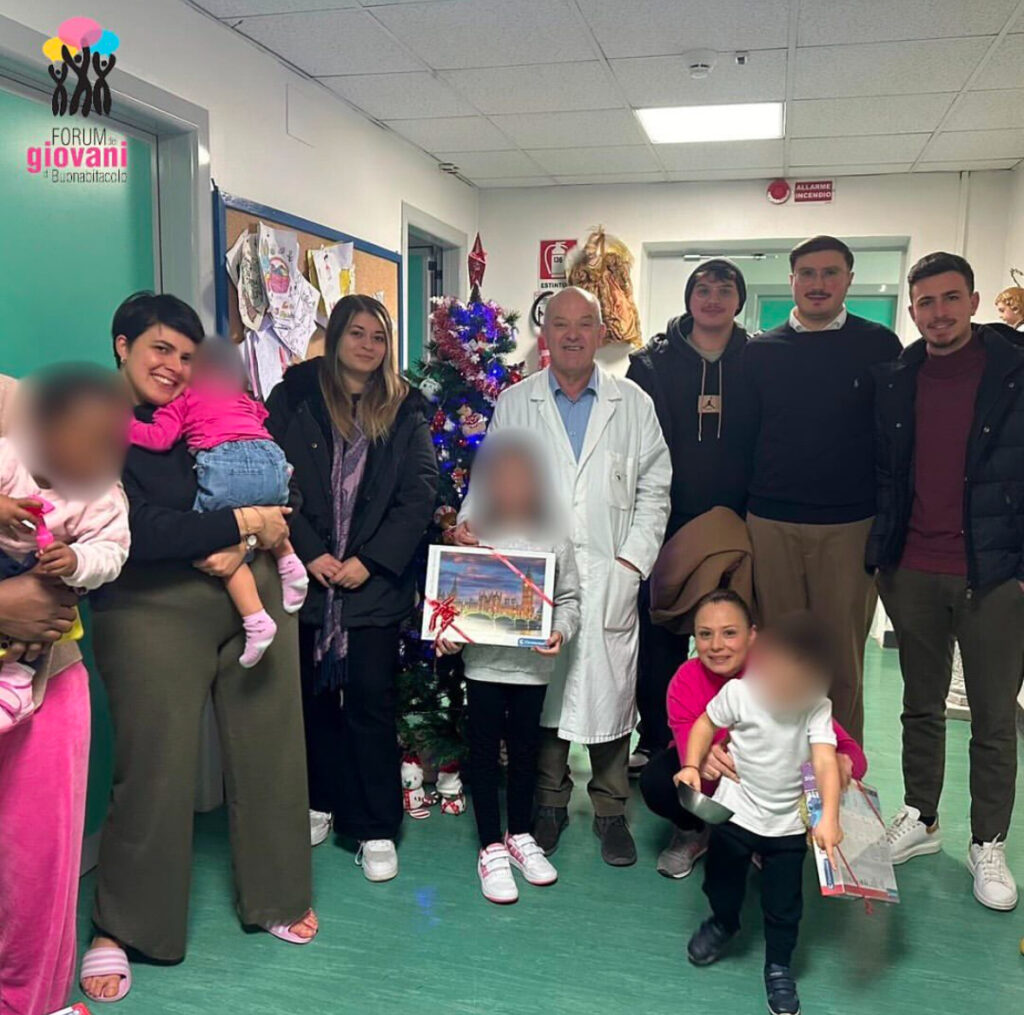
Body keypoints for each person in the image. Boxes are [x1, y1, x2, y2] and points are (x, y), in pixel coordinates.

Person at [81, 292, 316, 1005]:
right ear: (122, 345)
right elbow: (137, 530)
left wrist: (245, 533)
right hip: (148, 602)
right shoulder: (96, 424)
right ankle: (125, 926)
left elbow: (274, 486)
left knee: (272, 746)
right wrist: (239, 525)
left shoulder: (209, 404)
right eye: (161, 349)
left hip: (250, 586)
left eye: (187, 355)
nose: (175, 366)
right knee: (154, 764)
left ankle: (278, 894)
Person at [454, 286, 670, 866]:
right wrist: (472, 526)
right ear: (545, 334)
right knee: (542, 696)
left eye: (584, 324)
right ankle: (548, 804)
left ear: (601, 334)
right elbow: (488, 481)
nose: (572, 334)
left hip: (608, 570)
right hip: (535, 571)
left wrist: (631, 563)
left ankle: (610, 809)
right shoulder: (516, 403)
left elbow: (655, 490)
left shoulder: (634, 405)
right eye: (560, 324)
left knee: (608, 692)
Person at [867, 252, 1024, 912]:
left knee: (993, 717)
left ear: (974, 301)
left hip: (994, 575)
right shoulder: (898, 377)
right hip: (913, 568)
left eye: (951, 298)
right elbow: (885, 470)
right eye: (926, 302)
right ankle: (922, 817)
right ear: (913, 311)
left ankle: (987, 841)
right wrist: (883, 559)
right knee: (921, 705)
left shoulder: (1014, 370)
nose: (939, 313)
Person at [265, 294, 438, 880]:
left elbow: (419, 494)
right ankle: (320, 799)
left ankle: (375, 826)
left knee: (370, 703)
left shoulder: (406, 407)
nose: (368, 345)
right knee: (312, 701)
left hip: (372, 587)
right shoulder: (295, 396)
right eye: (357, 333)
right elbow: (274, 477)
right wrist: (309, 550)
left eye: (378, 336)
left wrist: (371, 560)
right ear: (336, 336)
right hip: (307, 580)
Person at [744, 236, 902, 742]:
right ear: (791, 280)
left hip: (849, 526)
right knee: (779, 657)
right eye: (807, 273)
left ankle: (841, 773)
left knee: (841, 660)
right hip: (771, 524)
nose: (818, 283)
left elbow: (893, 435)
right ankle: (779, 769)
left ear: (849, 280)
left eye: (830, 272)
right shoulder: (759, 352)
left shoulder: (879, 346)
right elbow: (746, 436)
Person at [436, 430, 581, 903]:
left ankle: (519, 834)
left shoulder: (554, 537)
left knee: (525, 753)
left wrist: (560, 631)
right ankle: (490, 847)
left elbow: (569, 599)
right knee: (482, 755)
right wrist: (447, 634)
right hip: (482, 668)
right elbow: (450, 597)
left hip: (532, 671)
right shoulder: (474, 533)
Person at [676, 611, 844, 1015]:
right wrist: (692, 765)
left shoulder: (816, 707)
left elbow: (825, 761)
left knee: (785, 905)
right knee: (721, 881)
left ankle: (779, 965)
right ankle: (724, 922)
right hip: (736, 815)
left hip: (787, 826)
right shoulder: (739, 693)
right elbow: (704, 724)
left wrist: (830, 817)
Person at [626, 259, 756, 770]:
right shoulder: (651, 364)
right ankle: (656, 739)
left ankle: (725, 743)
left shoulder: (757, 360)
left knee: (727, 638)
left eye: (725, 290)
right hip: (667, 522)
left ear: (739, 300)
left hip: (735, 524)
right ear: (688, 299)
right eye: (703, 290)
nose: (713, 299)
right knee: (660, 638)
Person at [640, 589, 866, 878]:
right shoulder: (685, 679)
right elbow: (690, 753)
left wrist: (842, 762)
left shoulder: (781, 677)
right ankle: (693, 831)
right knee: (658, 779)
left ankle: (765, 839)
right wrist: (700, 759)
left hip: (773, 787)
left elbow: (852, 754)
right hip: (722, 783)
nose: (716, 645)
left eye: (729, 633)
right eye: (705, 634)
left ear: (752, 636)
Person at [129, 339, 308, 668]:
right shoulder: (245, 399)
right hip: (273, 462)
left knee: (215, 538)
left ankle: (256, 619)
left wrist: (124, 426)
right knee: (270, 507)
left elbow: (159, 437)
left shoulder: (183, 399)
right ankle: (290, 563)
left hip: (227, 469)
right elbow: (261, 420)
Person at [0, 372, 87, 1015]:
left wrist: (73, 571)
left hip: (49, 674)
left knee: (37, 877)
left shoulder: (20, 403)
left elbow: (97, 521)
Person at [0, 366, 130, 732]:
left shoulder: (99, 494)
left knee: (45, 610)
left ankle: (16, 680)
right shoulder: (10, 455)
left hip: (40, 576)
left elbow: (112, 550)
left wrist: (77, 561)